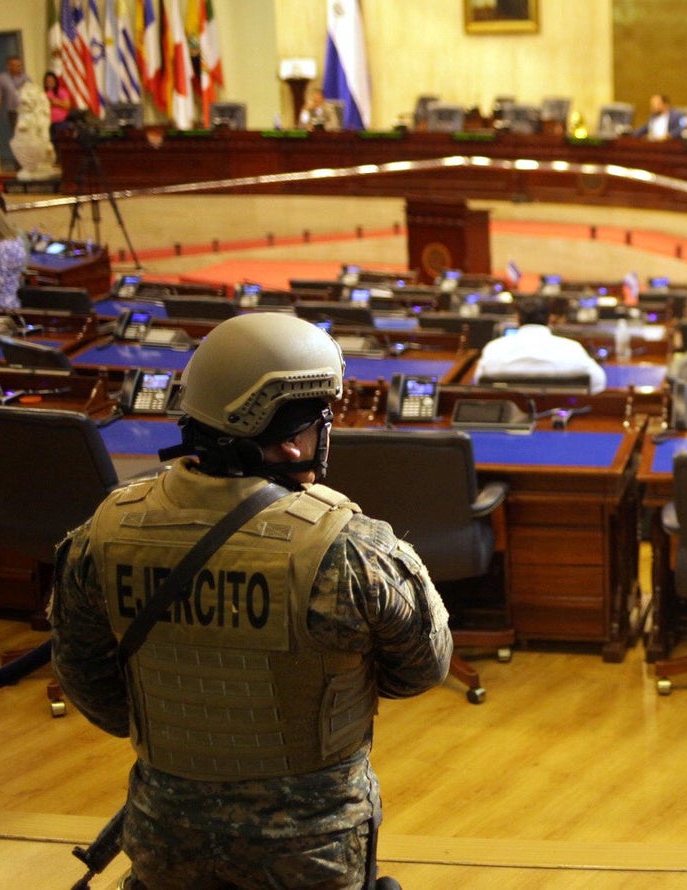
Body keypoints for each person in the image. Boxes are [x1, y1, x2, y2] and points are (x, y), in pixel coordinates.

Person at [49, 313, 452, 890]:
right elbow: (421, 670)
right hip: (311, 851)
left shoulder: (104, 532)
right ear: (291, 440)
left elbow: (89, 683)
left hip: (166, 843)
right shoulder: (351, 549)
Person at [475, 296, 607, 391]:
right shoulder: (572, 348)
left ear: (517, 319)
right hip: (560, 420)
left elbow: (479, 382)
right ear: (550, 319)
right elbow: (598, 382)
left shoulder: (495, 348)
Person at [0, 55, 29, 172]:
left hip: (27, 112)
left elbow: (33, 92)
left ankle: (29, 163)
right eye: (15, 65)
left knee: (28, 138)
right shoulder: (1, 78)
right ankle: (19, 165)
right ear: (9, 66)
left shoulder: (26, 78)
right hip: (14, 112)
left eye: (19, 65)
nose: (18, 67)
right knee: (18, 138)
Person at [43, 70, 73, 136]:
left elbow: (68, 105)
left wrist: (55, 102)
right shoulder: (43, 94)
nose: (49, 83)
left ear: (55, 81)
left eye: (51, 80)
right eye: (47, 81)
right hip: (48, 122)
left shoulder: (61, 91)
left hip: (61, 122)